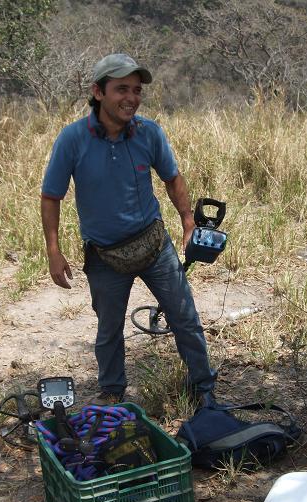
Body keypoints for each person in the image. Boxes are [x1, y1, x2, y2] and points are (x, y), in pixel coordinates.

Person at [41, 53, 217, 406]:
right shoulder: (72, 139)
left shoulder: (149, 133)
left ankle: (204, 389)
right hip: (104, 254)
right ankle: (112, 392)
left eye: (136, 90)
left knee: (185, 317)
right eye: (122, 89)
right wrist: (53, 251)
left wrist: (187, 223)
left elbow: (172, 178)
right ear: (98, 91)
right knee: (109, 331)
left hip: (154, 245)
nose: (132, 98)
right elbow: (51, 196)